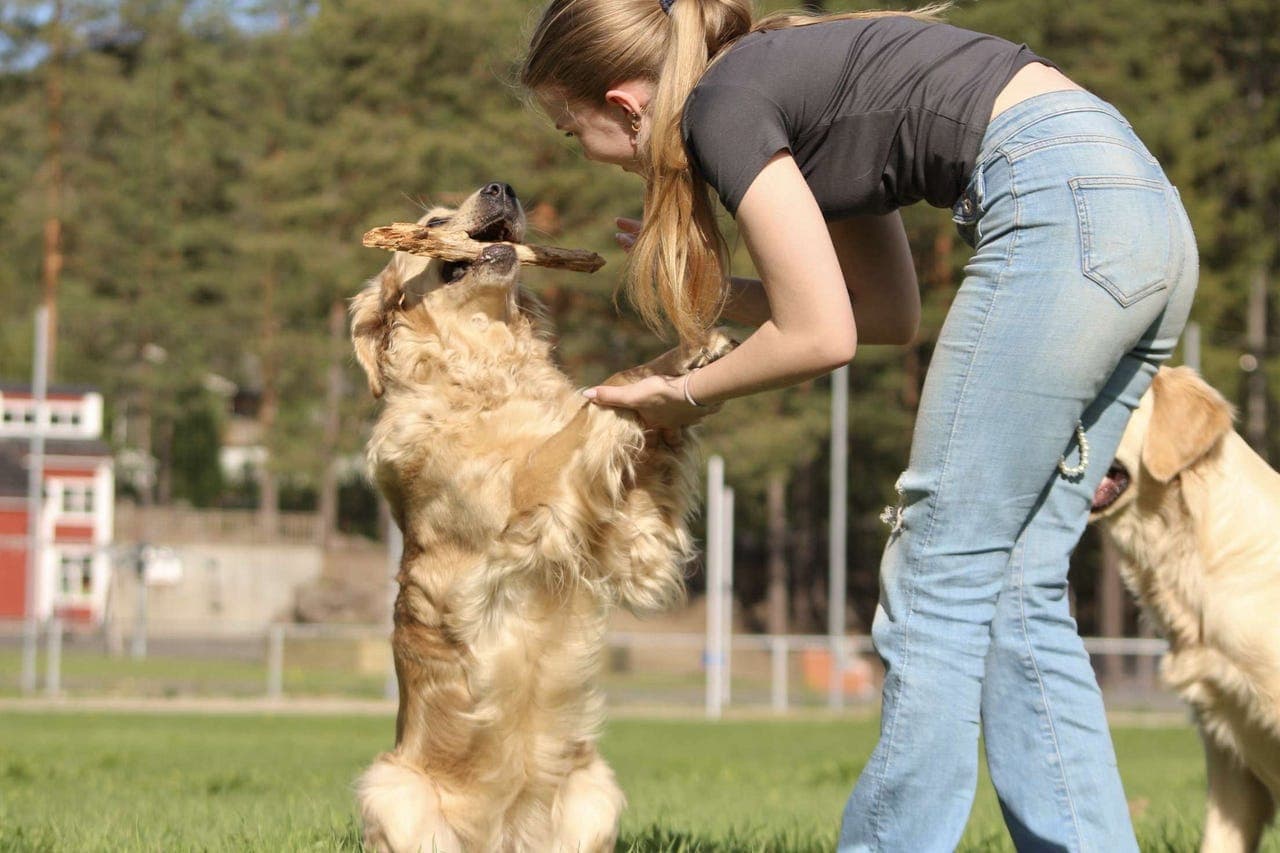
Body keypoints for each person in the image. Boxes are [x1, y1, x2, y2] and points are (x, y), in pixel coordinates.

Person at [521, 0, 1197, 849]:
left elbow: (820, 336)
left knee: (935, 578)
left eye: (567, 128)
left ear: (623, 105)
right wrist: (718, 299)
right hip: (1141, 211)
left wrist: (683, 394)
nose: (576, 151)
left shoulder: (718, 108)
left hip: (1058, 209)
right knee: (1018, 585)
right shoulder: (788, 78)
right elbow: (879, 314)